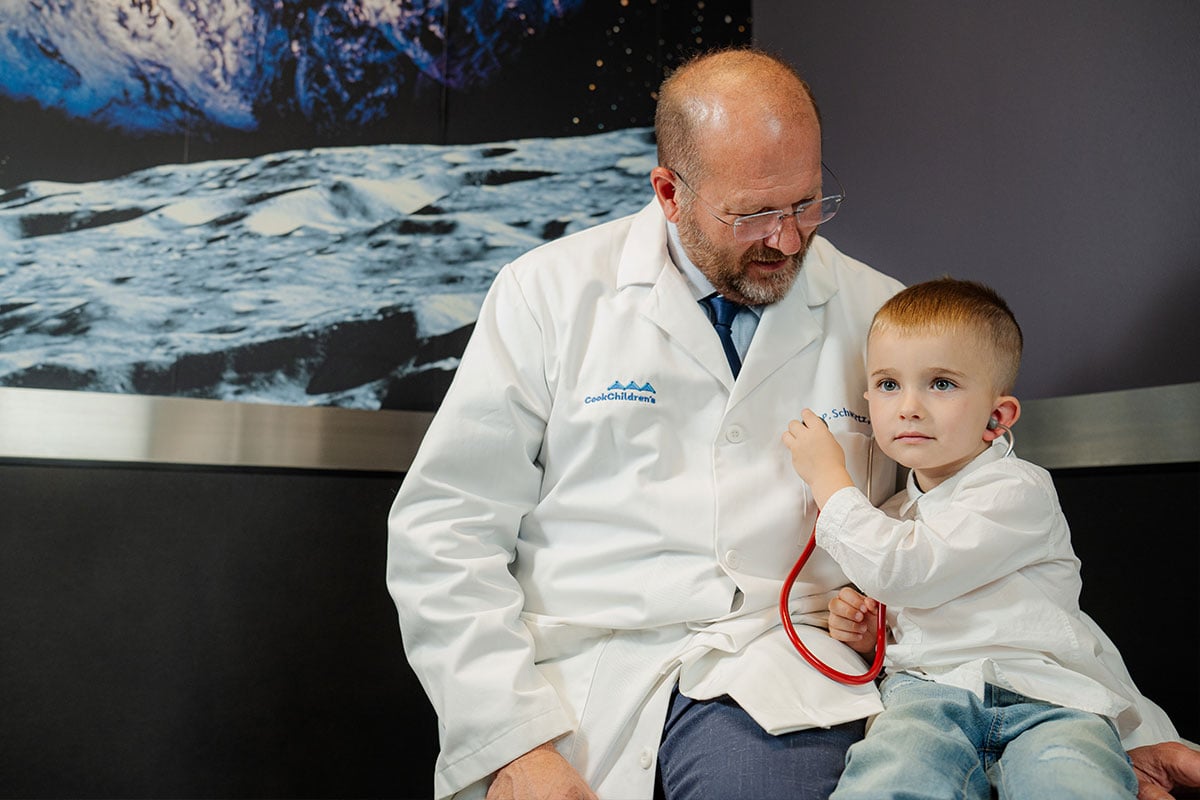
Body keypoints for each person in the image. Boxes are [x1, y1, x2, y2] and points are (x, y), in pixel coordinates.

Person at [386, 46, 1200, 800]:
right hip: (579, 670)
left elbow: (998, 557)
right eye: (752, 214)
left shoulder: (883, 317)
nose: (787, 238)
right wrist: (511, 744)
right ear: (669, 193)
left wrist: (1123, 729)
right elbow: (447, 531)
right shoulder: (547, 294)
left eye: (807, 202)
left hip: (783, 667)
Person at [782, 277, 1199, 799]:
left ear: (997, 417)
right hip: (926, 696)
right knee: (891, 777)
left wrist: (828, 478)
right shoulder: (890, 514)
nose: (908, 406)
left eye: (941, 384)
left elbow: (908, 571)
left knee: (1071, 780)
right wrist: (873, 636)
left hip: (1048, 699)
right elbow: (916, 606)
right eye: (888, 384)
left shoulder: (1017, 489)